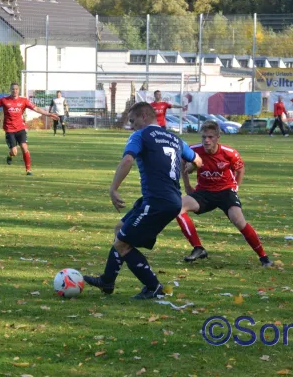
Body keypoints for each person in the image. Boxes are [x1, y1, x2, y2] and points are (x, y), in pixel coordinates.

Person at [83, 102, 203, 299]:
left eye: (133, 121)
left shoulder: (141, 135)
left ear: (144, 117)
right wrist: (190, 171)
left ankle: (153, 286)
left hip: (157, 201)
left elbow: (128, 160)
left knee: (123, 243)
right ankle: (108, 280)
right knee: (120, 228)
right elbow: (197, 160)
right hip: (171, 199)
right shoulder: (175, 138)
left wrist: (113, 189)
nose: (132, 125)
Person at [176, 120, 274, 267]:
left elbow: (240, 169)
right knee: (177, 207)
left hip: (225, 191)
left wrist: (236, 188)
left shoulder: (229, 153)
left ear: (217, 138)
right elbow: (183, 161)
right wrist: (187, 185)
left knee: (238, 220)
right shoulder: (194, 150)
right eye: (204, 137)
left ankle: (264, 257)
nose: (206, 141)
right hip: (204, 192)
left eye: (210, 137)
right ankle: (198, 248)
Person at [0, 82, 58, 175]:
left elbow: (36, 108)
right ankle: (10, 155)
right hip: (9, 129)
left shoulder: (23, 100)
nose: (14, 91)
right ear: (10, 90)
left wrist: (48, 114)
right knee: (14, 152)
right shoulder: (4, 100)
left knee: (24, 147)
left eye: (16, 89)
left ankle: (28, 170)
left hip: (21, 128)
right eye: (13, 89)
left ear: (19, 90)